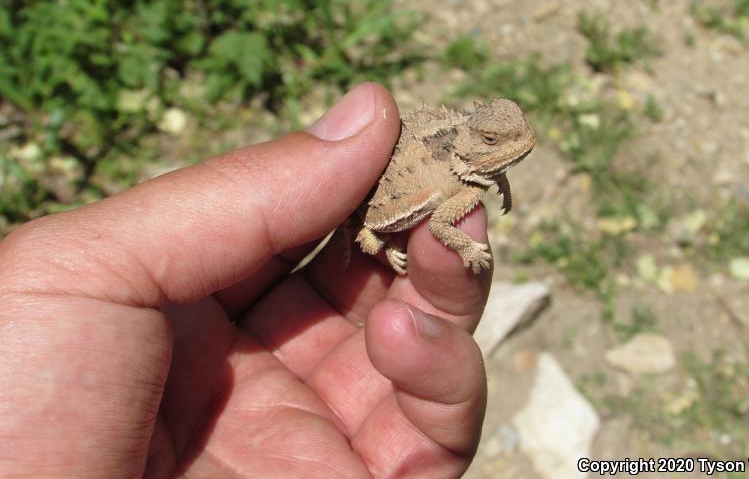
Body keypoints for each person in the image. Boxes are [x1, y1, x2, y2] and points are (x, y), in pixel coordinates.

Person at [0, 83, 490, 477]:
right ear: (472, 142)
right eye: (492, 141)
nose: (509, 146)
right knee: (370, 245)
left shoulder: (463, 168)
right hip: (374, 220)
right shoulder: (453, 186)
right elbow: (446, 226)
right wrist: (464, 247)